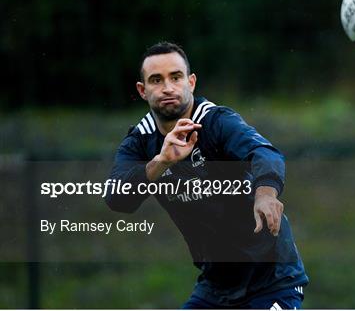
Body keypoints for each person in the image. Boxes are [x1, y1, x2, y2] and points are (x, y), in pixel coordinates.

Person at [105, 41, 308, 308]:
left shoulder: (216, 122)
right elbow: (117, 198)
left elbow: (264, 153)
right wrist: (161, 162)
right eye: (156, 80)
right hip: (216, 286)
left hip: (272, 279)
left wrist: (266, 194)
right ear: (142, 90)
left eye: (175, 77)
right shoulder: (140, 142)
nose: (168, 87)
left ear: (191, 82)